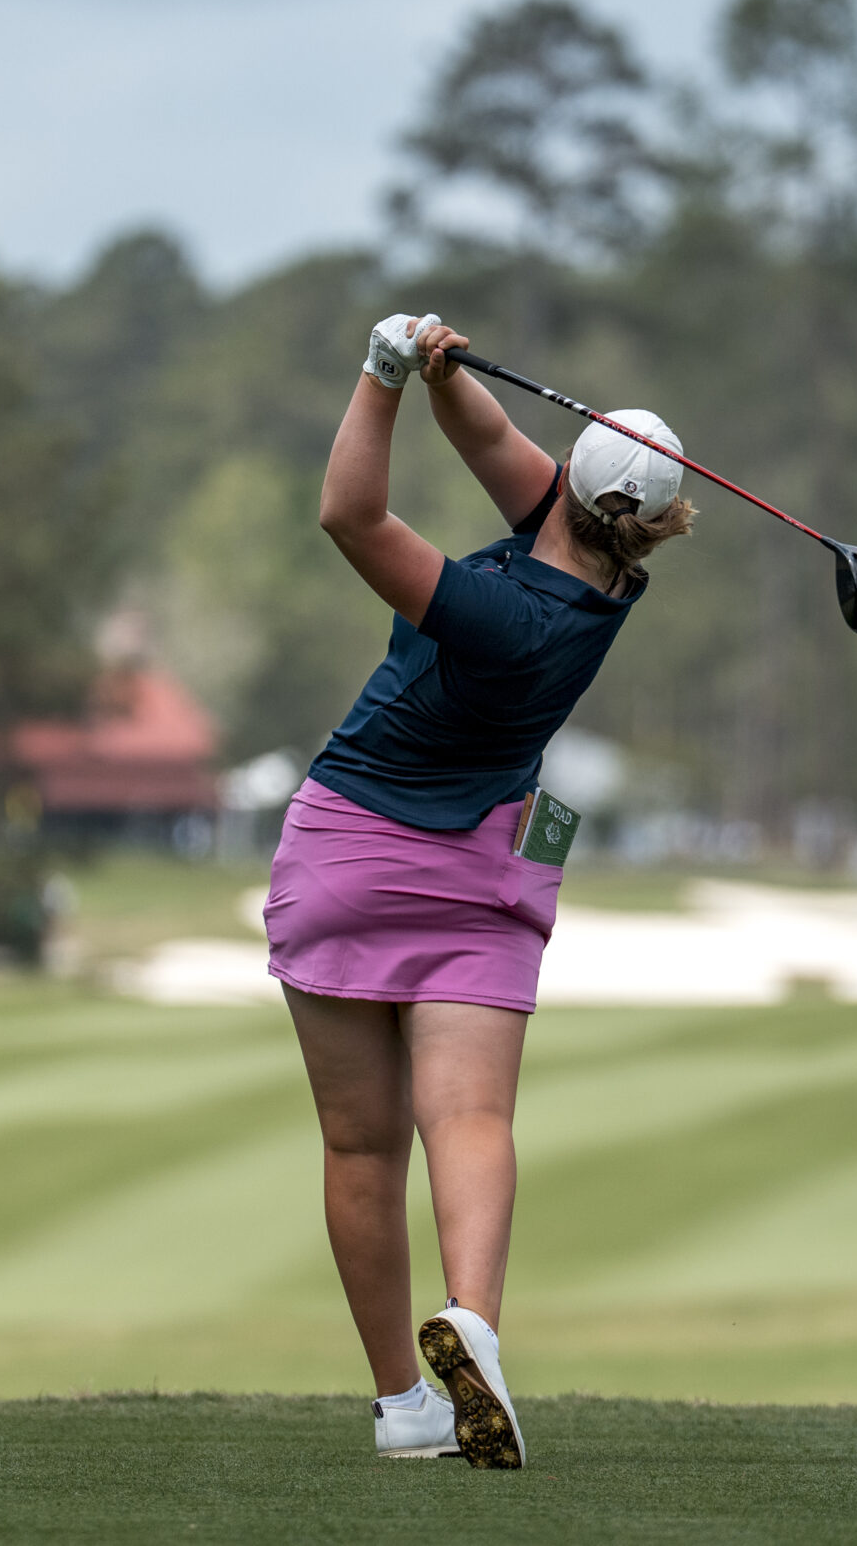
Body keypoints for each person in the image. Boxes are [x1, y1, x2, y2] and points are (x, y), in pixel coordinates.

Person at [264, 310, 695, 1469]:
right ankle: (475, 1323)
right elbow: (497, 438)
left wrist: (381, 376)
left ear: (572, 483)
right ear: (648, 520)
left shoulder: (499, 608)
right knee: (470, 1116)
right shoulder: (610, 572)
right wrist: (448, 375)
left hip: (346, 851)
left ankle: (404, 1405)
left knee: (362, 1148)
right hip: (478, 869)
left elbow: (348, 516)